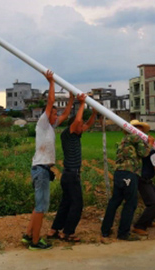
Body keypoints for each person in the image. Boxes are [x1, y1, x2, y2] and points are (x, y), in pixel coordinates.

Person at [22, 70, 75, 250]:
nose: (57, 114)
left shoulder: (50, 127)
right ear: (48, 115)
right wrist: (51, 82)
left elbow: (66, 114)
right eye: (54, 113)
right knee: (41, 208)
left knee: (38, 206)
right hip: (41, 170)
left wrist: (72, 98)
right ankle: (35, 242)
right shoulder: (43, 123)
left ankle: (28, 235)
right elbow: (51, 102)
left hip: (42, 170)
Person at [47, 93, 97, 242]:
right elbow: (79, 121)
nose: (83, 127)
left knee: (66, 203)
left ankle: (54, 229)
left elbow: (87, 123)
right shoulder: (68, 134)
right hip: (71, 175)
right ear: (73, 126)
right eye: (79, 126)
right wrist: (81, 104)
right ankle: (68, 232)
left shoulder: (75, 134)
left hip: (68, 175)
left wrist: (93, 112)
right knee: (77, 204)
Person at [100, 119, 155, 241]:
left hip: (119, 173)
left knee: (115, 201)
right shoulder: (136, 138)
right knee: (130, 203)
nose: (140, 130)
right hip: (129, 173)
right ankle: (123, 233)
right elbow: (144, 153)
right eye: (138, 128)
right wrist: (150, 143)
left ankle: (105, 230)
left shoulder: (125, 139)